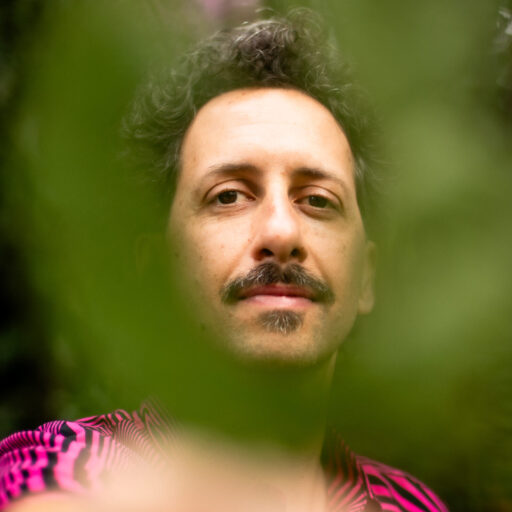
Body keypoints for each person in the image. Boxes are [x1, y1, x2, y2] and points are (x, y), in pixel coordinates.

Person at [0, 11, 449, 512]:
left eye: (318, 200)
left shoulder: (414, 504)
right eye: (229, 195)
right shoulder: (68, 468)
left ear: (366, 277)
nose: (282, 232)